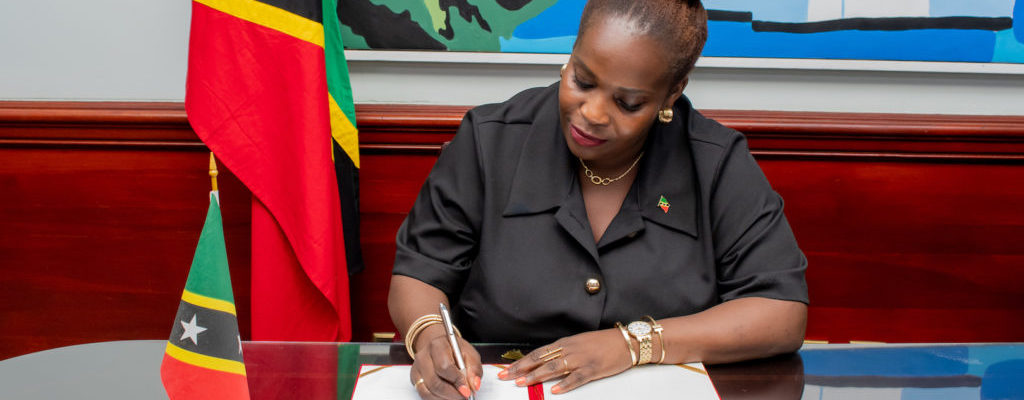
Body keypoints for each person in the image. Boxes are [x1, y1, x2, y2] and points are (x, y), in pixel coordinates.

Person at [387, 0, 808, 398]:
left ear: (672, 93)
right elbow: (419, 274)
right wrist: (432, 337)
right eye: (582, 81)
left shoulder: (714, 163)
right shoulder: (490, 140)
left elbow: (780, 312)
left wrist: (632, 344)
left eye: (628, 103)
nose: (592, 113)